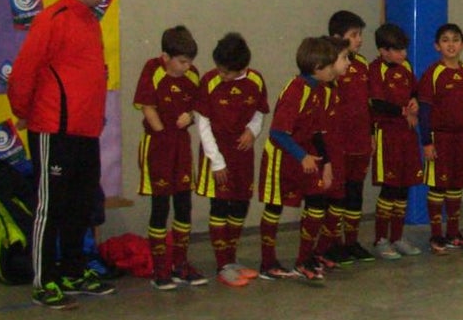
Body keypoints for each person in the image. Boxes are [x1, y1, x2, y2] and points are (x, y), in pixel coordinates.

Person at [8, 0, 115, 309]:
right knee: (49, 207)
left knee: (80, 206)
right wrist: (24, 112)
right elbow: (24, 72)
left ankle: (72, 270)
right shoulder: (52, 18)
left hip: (86, 133)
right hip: (54, 130)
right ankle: (44, 281)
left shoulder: (91, 21)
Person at [257, 36, 350, 281]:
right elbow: (277, 132)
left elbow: (317, 130)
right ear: (318, 68)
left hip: (306, 156)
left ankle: (304, 259)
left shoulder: (319, 90)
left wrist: (326, 163)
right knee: (274, 207)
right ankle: (267, 262)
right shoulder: (295, 90)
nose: (335, 70)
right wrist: (301, 156)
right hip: (283, 157)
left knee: (316, 204)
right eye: (331, 65)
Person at [193, 32, 269, 287]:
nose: (221, 75)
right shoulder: (209, 82)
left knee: (239, 205)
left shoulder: (256, 80)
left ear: (243, 68)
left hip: (243, 156)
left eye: (226, 72)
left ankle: (232, 259)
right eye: (219, 69)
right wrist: (216, 161)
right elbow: (202, 124)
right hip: (218, 157)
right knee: (220, 206)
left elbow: (259, 112)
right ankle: (222, 265)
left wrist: (252, 131)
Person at [134, 25, 204, 289]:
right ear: (166, 57)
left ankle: (180, 263)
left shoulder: (193, 75)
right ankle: (160, 269)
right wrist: (162, 133)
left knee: (184, 203)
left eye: (190, 62)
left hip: (181, 146)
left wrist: (191, 117)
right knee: (160, 206)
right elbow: (148, 108)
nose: (187, 67)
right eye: (182, 62)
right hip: (157, 144)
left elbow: (197, 107)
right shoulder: (152, 70)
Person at [417, 23, 463, 252]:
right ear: (437, 46)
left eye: (455, 39)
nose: (451, 44)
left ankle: (454, 233)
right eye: (445, 40)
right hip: (440, 139)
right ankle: (437, 236)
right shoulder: (432, 74)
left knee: (457, 186)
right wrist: (426, 142)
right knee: (438, 187)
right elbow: (424, 111)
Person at [321, 10, 376, 264]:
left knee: (355, 193)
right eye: (354, 35)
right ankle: (330, 244)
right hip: (338, 144)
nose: (359, 40)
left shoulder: (363, 64)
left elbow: (368, 104)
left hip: (360, 142)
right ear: (336, 37)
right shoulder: (328, 68)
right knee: (336, 196)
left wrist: (371, 133)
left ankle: (351, 242)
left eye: (360, 35)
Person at [368, 23, 423, 259]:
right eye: (398, 50)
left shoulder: (406, 67)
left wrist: (415, 102)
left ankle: (397, 237)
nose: (404, 55)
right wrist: (403, 111)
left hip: (407, 135)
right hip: (387, 134)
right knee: (389, 188)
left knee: (403, 187)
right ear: (383, 51)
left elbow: (415, 91)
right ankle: (381, 239)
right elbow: (376, 103)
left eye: (404, 50)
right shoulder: (375, 69)